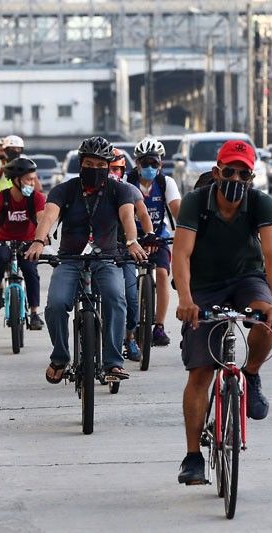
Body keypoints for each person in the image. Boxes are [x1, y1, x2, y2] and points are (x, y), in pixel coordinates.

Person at [173, 140, 272, 485]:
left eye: (243, 174)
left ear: (251, 177)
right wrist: (186, 300)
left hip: (246, 279)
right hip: (204, 287)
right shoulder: (196, 202)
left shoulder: (260, 203)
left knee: (265, 321)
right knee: (200, 372)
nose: (236, 179)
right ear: (216, 172)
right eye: (229, 171)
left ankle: (250, 375)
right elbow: (181, 254)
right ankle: (193, 456)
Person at [25, 136, 149, 384]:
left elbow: (127, 217)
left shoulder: (120, 190)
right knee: (56, 304)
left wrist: (132, 241)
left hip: (107, 258)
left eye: (101, 165)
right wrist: (39, 240)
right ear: (81, 164)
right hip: (70, 259)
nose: (95, 169)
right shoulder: (64, 189)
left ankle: (113, 362)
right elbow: (49, 217)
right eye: (89, 164)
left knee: (116, 298)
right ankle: (60, 357)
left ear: (108, 165)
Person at [0, 157, 46, 330]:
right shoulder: (1, 197)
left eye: (34, 179)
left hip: (28, 242)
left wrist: (42, 238)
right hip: (4, 242)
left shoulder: (36, 198)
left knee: (30, 270)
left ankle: (34, 313)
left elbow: (42, 219)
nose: (33, 183)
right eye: (29, 180)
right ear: (16, 180)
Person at [127, 137, 182, 348]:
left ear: (160, 164)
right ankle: (130, 326)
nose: (149, 167)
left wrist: (187, 230)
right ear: (137, 163)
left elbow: (177, 211)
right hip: (132, 238)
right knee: (128, 279)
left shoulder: (166, 183)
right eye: (145, 162)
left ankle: (159, 326)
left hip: (159, 236)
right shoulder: (127, 182)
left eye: (154, 163)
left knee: (162, 274)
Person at [107, 149, 155, 361]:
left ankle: (130, 337)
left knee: (131, 297)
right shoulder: (91, 191)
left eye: (117, 169)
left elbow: (143, 214)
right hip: (99, 250)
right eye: (109, 168)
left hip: (125, 249)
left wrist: (150, 234)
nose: (113, 173)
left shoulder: (129, 190)